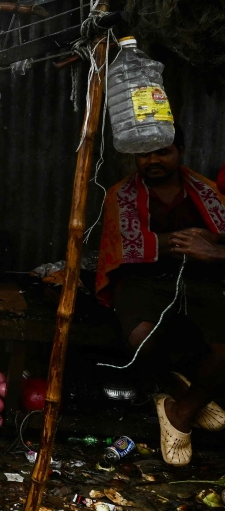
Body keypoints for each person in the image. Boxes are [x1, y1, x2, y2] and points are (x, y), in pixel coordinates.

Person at [96, 126, 225, 466]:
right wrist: (182, 242)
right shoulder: (120, 195)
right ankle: (179, 388)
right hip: (143, 282)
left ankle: (180, 413)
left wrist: (212, 247)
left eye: (162, 152)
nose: (152, 160)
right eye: (144, 154)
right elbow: (118, 247)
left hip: (201, 282)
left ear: (180, 151)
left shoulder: (208, 192)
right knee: (141, 337)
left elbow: (220, 240)